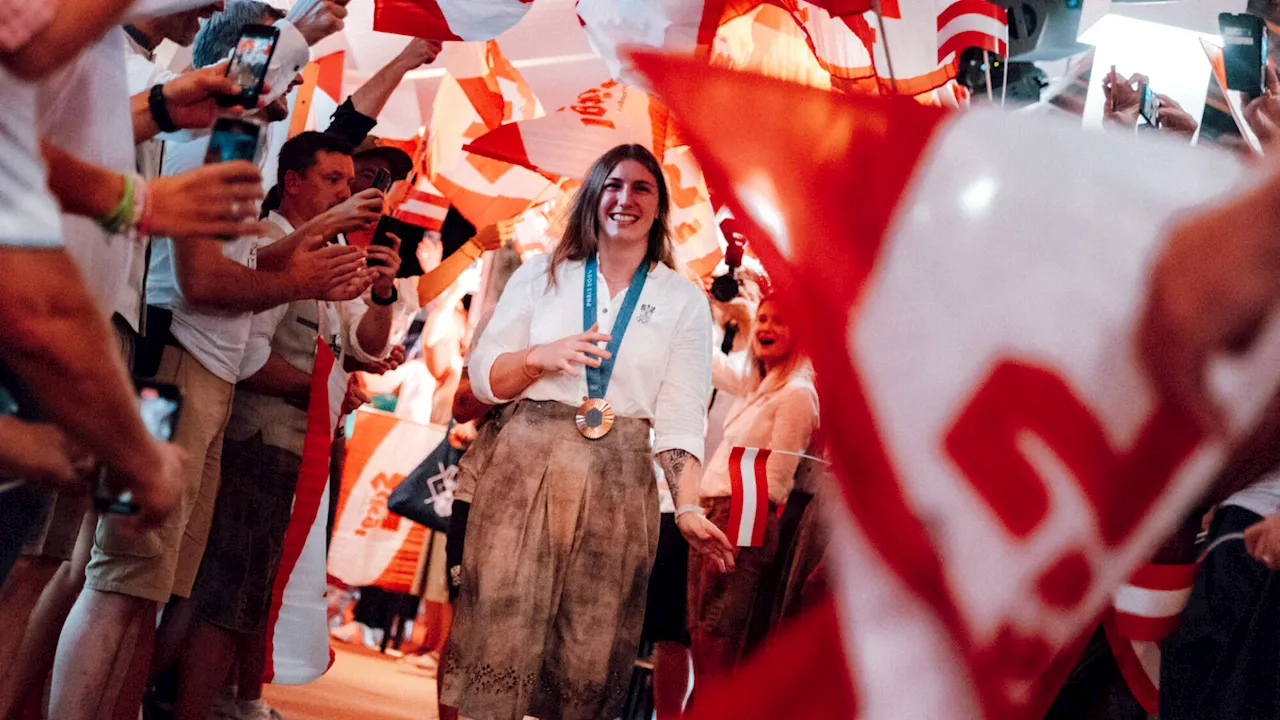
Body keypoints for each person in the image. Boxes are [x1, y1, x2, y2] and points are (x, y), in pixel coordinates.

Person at [440, 143, 731, 720]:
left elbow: (679, 416)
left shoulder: (682, 299)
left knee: (589, 646)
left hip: (622, 475)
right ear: (593, 197)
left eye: (641, 188)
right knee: (498, 622)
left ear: (659, 206)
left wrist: (690, 506)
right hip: (526, 459)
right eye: (613, 185)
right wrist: (539, 358)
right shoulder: (543, 274)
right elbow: (484, 379)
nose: (625, 199)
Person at [174, 131, 399, 720]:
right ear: (292, 180)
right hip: (257, 439)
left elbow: (364, 348)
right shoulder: (270, 242)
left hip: (294, 446)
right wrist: (322, 390)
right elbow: (247, 356)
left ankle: (227, 700)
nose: (348, 194)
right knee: (227, 595)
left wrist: (382, 294)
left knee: (246, 594)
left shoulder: (329, 249)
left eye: (352, 184)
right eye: (335, 180)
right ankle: (193, 705)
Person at [687, 295, 819, 680]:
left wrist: (732, 542)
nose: (766, 327)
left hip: (741, 519)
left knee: (717, 643)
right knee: (699, 639)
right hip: (710, 514)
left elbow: (775, 479)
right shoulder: (755, 385)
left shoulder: (797, 393)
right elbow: (709, 362)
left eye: (781, 320)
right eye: (763, 318)